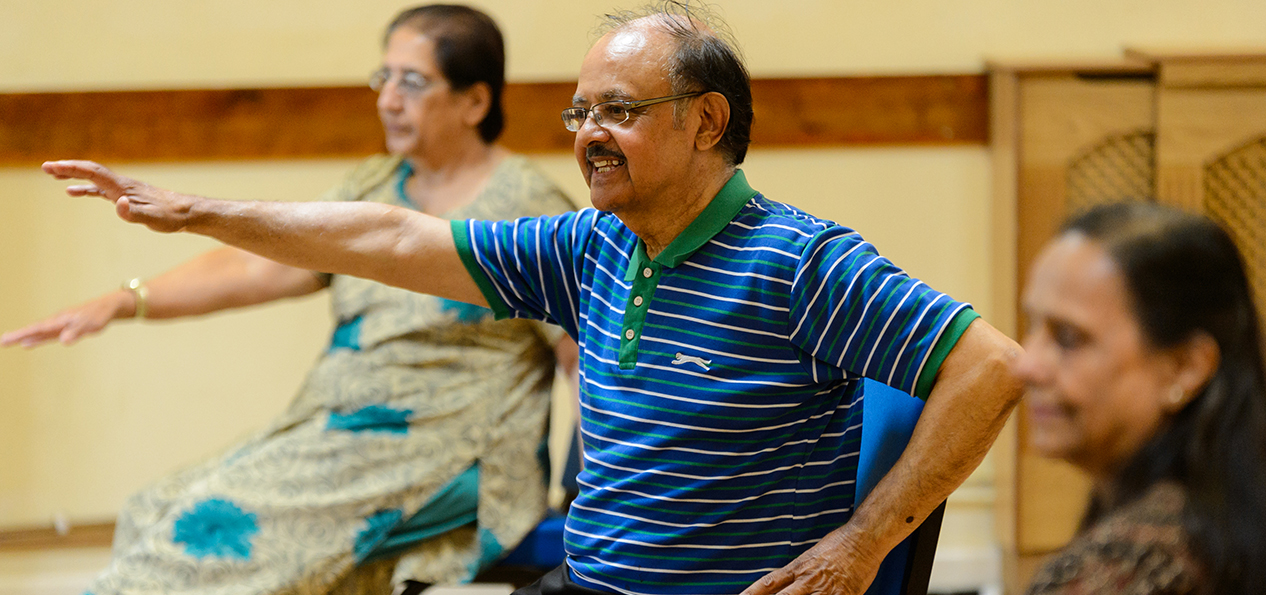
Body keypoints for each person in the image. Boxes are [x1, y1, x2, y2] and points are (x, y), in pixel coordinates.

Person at [32, 2, 1024, 594]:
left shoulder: (799, 263)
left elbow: (992, 364)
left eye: (619, 112)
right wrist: (195, 209)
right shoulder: (591, 246)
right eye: (579, 111)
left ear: (707, 122)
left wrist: (864, 543)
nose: (588, 132)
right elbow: (385, 234)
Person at [3, 5, 578, 595]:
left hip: (449, 448)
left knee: (199, 545)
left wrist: (598, 486)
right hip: (331, 429)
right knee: (155, 506)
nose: (387, 99)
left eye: (412, 81)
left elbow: (581, 353)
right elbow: (260, 264)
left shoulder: (528, 209)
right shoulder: (373, 186)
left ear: (474, 102)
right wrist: (124, 301)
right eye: (384, 78)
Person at [1013, 202, 1266, 595]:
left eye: (1068, 338)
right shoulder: (1220, 527)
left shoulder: (1124, 568)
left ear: (1185, 367)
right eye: (1032, 327)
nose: (1027, 365)